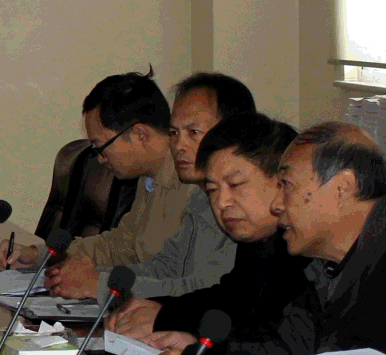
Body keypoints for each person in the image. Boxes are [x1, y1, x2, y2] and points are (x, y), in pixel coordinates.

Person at [146, 122, 386, 355]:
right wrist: (206, 352)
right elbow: (284, 347)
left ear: (342, 187)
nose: (277, 203)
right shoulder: (328, 266)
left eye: (286, 185)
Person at [112, 112, 307, 349]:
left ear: (282, 182)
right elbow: (229, 298)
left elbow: (260, 325)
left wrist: (165, 317)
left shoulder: (303, 251)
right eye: (213, 190)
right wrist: (157, 306)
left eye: (236, 185)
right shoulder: (257, 240)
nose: (222, 202)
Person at [53, 72, 249, 300]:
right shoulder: (200, 198)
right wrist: (94, 279)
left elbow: (200, 292)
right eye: (174, 133)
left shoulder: (236, 204)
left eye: (193, 133)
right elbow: (164, 267)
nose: (178, 145)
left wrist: (98, 284)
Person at [0, 70, 189, 298]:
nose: (99, 159)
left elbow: (180, 278)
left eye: (100, 147)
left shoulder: (192, 187)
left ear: (140, 135)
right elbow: (119, 247)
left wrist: (98, 284)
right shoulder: (149, 180)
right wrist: (40, 256)